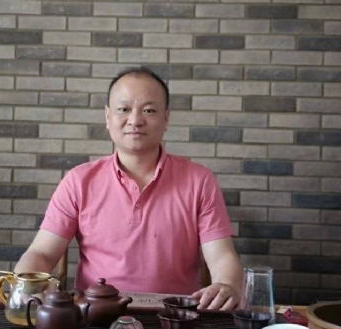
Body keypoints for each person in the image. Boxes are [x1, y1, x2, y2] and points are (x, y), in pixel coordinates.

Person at [14, 67, 244, 311]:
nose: (135, 121)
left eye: (149, 110)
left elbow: (222, 256)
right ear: (107, 117)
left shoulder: (199, 180)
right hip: (94, 316)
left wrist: (227, 284)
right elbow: (42, 253)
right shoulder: (79, 181)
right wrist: (27, 285)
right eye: (123, 109)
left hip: (176, 316)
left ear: (166, 118)